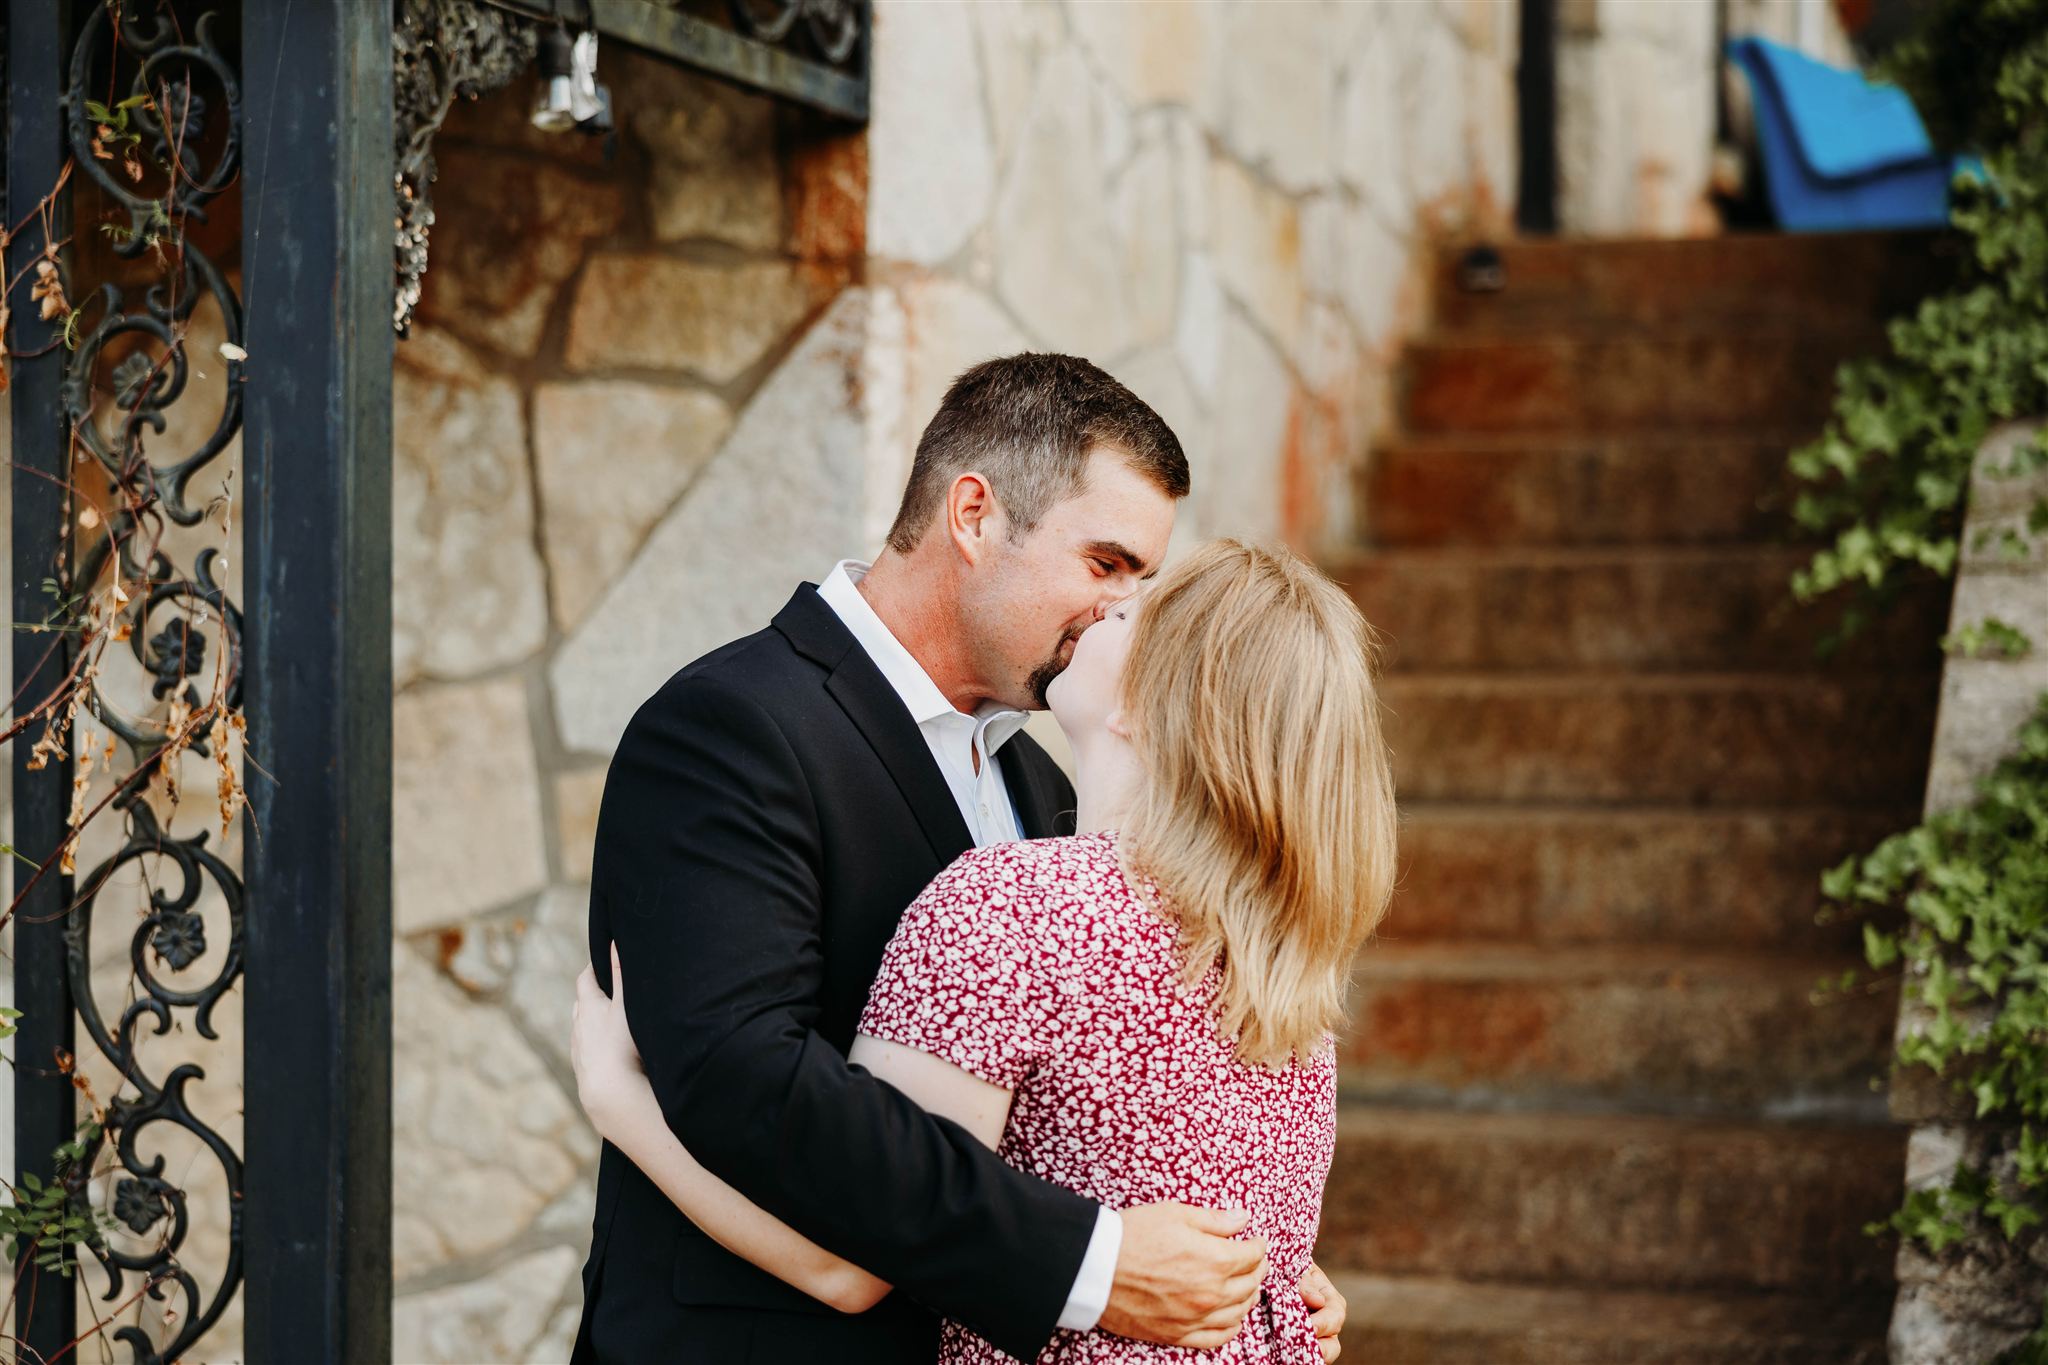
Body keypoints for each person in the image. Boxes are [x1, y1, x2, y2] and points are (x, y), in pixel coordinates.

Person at [568, 355, 1347, 1364]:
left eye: (1140, 585)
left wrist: (1254, 1273)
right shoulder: (733, 725)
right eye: (1103, 564)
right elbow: (744, 1081)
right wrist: (1097, 1264)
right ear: (972, 516)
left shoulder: (1040, 784)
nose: (1115, 612)